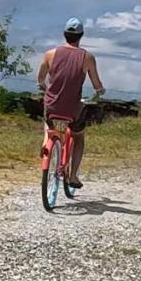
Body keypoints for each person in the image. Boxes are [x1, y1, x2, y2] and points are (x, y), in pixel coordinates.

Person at [36, 18, 105, 188]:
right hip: (73, 108)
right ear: (81, 35)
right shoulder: (87, 57)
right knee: (78, 137)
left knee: (49, 123)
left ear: (64, 34)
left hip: (52, 105)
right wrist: (100, 91)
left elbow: (40, 80)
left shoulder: (50, 54)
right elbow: (97, 85)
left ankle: (47, 143)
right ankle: (73, 176)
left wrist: (48, 91)